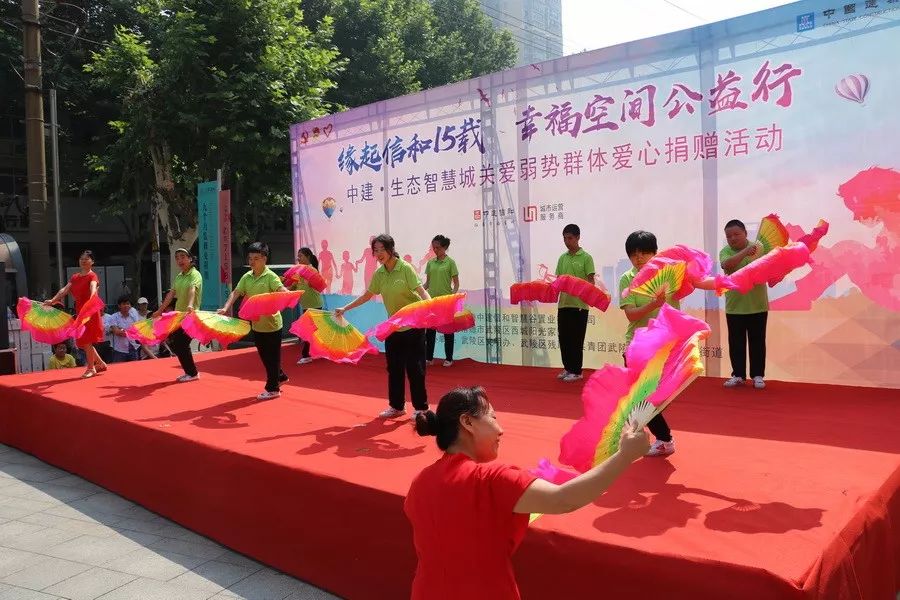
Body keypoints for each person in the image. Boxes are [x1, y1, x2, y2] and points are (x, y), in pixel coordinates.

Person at [406, 386, 649, 600]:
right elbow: (563, 499)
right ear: (467, 422)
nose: (500, 429)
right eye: (492, 417)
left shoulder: (420, 482)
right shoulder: (492, 479)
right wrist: (624, 455)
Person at [618, 231, 716, 457]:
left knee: (650, 396)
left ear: (655, 253)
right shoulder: (627, 278)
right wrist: (653, 304)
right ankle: (657, 437)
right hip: (637, 345)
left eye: (644, 253)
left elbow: (698, 281)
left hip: (665, 345)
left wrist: (727, 282)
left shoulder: (670, 272)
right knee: (638, 395)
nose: (638, 258)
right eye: (633, 254)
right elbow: (631, 314)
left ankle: (662, 438)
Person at [335, 234, 431, 418]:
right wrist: (345, 308)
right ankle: (397, 407)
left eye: (382, 249)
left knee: (415, 368)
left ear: (391, 249)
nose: (378, 254)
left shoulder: (405, 268)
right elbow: (367, 295)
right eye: (375, 250)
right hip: (393, 327)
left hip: (413, 326)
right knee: (394, 368)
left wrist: (431, 306)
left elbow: (421, 291)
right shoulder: (379, 274)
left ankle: (421, 408)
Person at [220, 242, 290, 400]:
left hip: (273, 325)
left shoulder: (270, 276)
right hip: (257, 324)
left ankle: (272, 389)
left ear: (264, 259)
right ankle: (279, 376)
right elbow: (236, 292)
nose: (252, 262)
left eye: (256, 258)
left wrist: (286, 291)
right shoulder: (247, 277)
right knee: (265, 356)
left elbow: (280, 288)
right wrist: (225, 308)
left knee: (272, 357)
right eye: (250, 258)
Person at [43, 250, 108, 378]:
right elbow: (64, 290)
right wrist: (52, 300)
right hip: (80, 312)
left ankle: (91, 368)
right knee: (82, 342)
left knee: (86, 340)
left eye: (86, 259)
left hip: (89, 312)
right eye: (81, 258)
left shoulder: (92, 276)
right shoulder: (75, 277)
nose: (83, 261)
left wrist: (92, 297)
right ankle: (100, 363)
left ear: (92, 262)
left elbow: (93, 287)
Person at [720, 219, 768, 389]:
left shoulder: (759, 248)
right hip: (735, 307)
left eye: (736, 234)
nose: (732, 238)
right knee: (736, 343)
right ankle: (738, 375)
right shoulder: (725, 252)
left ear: (745, 233)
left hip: (758, 305)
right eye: (729, 236)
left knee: (757, 342)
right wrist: (746, 251)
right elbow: (727, 265)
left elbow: (769, 266)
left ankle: (758, 375)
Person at [154, 248, 203, 382]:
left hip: (191, 316)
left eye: (183, 257)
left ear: (190, 259)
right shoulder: (179, 276)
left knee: (181, 343)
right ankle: (190, 372)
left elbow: (193, 289)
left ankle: (192, 373)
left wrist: (190, 305)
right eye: (177, 258)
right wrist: (160, 310)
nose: (180, 260)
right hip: (178, 316)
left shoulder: (195, 274)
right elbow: (171, 295)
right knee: (175, 343)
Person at [555, 224, 596, 382]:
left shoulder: (586, 258)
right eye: (565, 238)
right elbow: (558, 280)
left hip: (579, 306)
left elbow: (591, 281)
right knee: (564, 338)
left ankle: (577, 371)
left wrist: (583, 291)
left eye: (570, 238)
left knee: (576, 339)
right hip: (563, 304)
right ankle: (568, 368)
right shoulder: (562, 258)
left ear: (578, 237)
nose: (567, 241)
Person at [423, 235, 459, 367]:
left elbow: (456, 284)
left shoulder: (450, 263)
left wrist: (452, 297)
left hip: (446, 303)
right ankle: (429, 358)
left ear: (445, 247)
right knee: (430, 331)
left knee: (448, 331)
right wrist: (418, 291)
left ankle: (449, 358)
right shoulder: (430, 263)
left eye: (438, 248)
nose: (435, 250)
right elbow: (427, 283)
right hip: (432, 302)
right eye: (434, 248)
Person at [292, 247, 323, 365]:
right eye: (298, 256)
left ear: (308, 257)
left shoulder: (312, 270)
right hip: (307, 305)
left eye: (301, 256)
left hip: (314, 305)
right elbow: (293, 286)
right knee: (313, 331)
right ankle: (320, 351)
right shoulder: (299, 271)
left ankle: (306, 355)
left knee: (308, 330)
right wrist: (281, 288)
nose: (298, 258)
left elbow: (315, 285)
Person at [107, 294, 141, 363]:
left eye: (128, 304)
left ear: (130, 306)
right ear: (119, 306)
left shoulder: (134, 316)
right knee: (119, 368)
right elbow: (117, 332)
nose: (126, 306)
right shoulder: (114, 317)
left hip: (133, 347)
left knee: (135, 368)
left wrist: (122, 330)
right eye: (124, 304)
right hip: (119, 350)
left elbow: (137, 331)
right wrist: (130, 332)